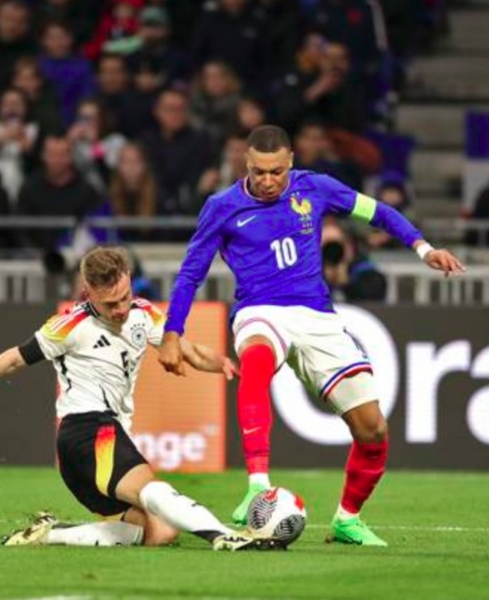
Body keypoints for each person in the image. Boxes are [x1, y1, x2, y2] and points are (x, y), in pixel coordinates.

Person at [157, 125, 466, 546]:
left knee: (373, 429)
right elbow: (191, 274)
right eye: (259, 172)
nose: (268, 181)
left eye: (277, 172)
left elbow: (378, 212)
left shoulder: (316, 187)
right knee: (256, 360)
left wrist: (424, 248)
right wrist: (172, 332)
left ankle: (347, 519)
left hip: (317, 316)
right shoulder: (222, 207)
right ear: (246, 164)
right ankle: (256, 485)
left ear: (290, 163)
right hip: (260, 310)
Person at [0, 247, 279, 552]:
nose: (119, 310)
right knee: (151, 490)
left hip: (97, 446)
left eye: (123, 298)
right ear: (88, 292)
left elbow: (188, 350)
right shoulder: (69, 326)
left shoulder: (143, 314)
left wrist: (224, 363)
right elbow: (12, 359)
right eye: (109, 304)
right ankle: (225, 536)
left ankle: (51, 535)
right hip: (87, 433)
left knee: (160, 532)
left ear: (129, 280)